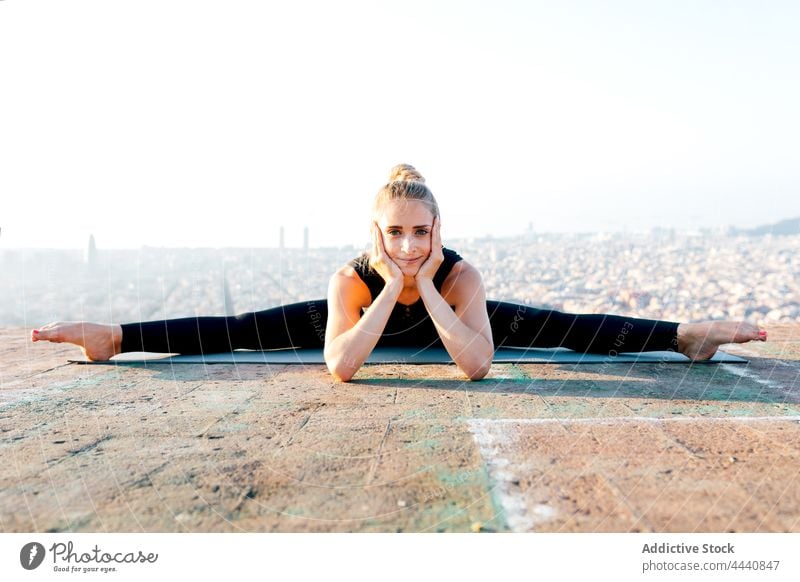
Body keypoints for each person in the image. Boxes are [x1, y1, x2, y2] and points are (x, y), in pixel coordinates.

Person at [31, 164, 767, 382]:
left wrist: (432, 284)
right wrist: (390, 285)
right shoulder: (353, 276)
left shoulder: (458, 274)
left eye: (421, 232)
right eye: (396, 233)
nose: (409, 245)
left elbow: (477, 366)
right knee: (251, 328)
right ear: (375, 234)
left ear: (437, 229)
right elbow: (342, 368)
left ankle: (685, 335)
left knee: (556, 326)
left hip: (447, 315)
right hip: (367, 310)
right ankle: (115, 337)